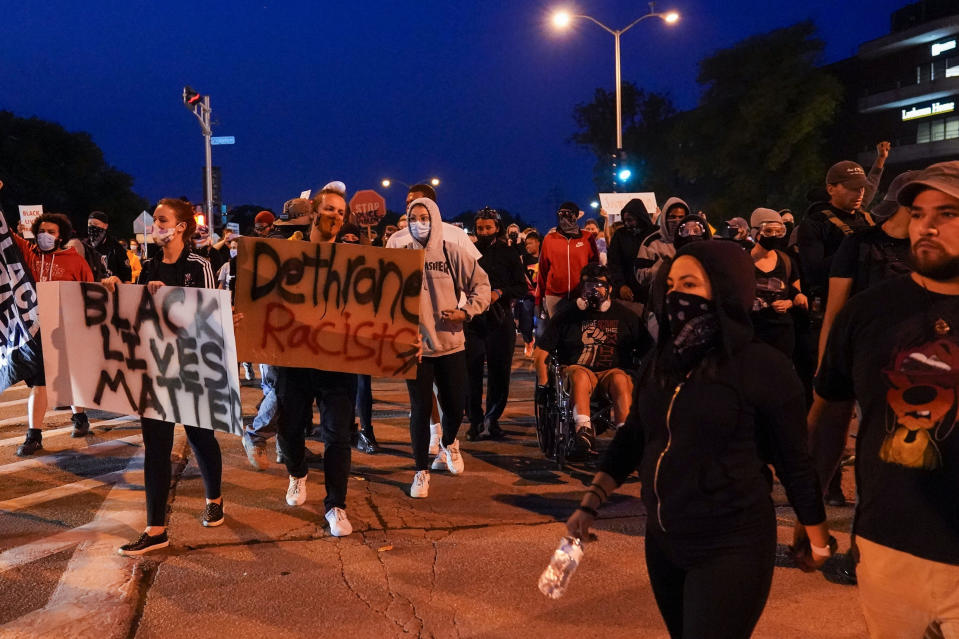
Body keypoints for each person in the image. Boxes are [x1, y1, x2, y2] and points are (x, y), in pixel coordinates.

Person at [567, 241, 833, 639]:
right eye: (671, 284)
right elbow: (634, 435)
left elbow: (795, 463)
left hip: (732, 546)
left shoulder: (763, 367)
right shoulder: (663, 360)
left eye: (690, 284)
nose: (675, 295)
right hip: (664, 543)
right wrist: (588, 505)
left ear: (725, 290)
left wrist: (818, 538)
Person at [809, 161, 959, 636]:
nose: (927, 226)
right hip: (885, 547)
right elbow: (829, 412)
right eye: (917, 212)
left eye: (949, 212)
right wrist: (809, 505)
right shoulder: (868, 313)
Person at [106, 198, 223, 555]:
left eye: (161, 220)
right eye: (155, 220)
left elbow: (207, 315)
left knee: (200, 437)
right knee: (156, 448)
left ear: (181, 227)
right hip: (156, 369)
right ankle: (156, 529)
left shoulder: (200, 265)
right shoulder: (147, 267)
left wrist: (171, 299)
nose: (155, 226)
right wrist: (114, 291)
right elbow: (137, 316)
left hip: (190, 368)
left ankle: (214, 498)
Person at [272, 185, 357, 536]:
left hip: (337, 362)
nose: (336, 216)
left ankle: (335, 505)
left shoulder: (355, 260)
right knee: (290, 428)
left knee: (337, 434)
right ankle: (297, 472)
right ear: (315, 212)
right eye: (330, 209)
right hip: (294, 357)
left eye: (341, 212)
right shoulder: (286, 252)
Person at [397, 197, 490, 499]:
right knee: (420, 410)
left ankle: (449, 443)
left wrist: (467, 311)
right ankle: (420, 471)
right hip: (416, 349)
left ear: (435, 218)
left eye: (425, 217)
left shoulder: (452, 252)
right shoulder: (399, 255)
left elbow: (482, 285)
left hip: (451, 345)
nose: (418, 223)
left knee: (454, 407)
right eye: (413, 217)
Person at [535, 263, 650, 458]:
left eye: (600, 285)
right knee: (579, 374)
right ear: (582, 288)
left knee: (620, 379)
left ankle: (625, 436)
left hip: (611, 373)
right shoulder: (567, 315)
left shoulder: (626, 316)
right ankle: (583, 430)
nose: (594, 290)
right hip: (576, 370)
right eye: (589, 285)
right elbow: (541, 352)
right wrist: (544, 385)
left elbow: (648, 350)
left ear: (610, 289)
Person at [12, 213, 95, 456]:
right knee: (40, 382)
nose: (45, 235)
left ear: (61, 237)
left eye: (51, 232)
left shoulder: (75, 261)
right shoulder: (29, 254)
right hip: (36, 332)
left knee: (69, 376)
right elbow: (6, 235)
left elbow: (89, 293)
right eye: (41, 230)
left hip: (67, 329)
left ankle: (79, 416)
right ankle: (34, 435)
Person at [818, 170, 918, 363]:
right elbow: (834, 316)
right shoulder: (860, 243)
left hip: (919, 361)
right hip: (869, 358)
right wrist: (823, 371)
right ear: (908, 205)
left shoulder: (929, 249)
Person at [465, 207, 527, 440]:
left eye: (488, 228)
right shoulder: (469, 252)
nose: (483, 232)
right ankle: (475, 420)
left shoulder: (508, 253)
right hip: (474, 319)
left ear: (497, 227)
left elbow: (522, 287)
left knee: (500, 372)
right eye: (480, 228)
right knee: (471, 371)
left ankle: (493, 418)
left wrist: (499, 292)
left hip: (500, 317)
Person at [749, 208, 806, 358]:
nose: (774, 236)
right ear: (756, 233)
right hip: (753, 331)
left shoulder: (787, 261)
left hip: (782, 332)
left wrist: (789, 303)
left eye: (778, 231)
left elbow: (796, 295)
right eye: (768, 231)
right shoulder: (742, 261)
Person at [536, 202, 599, 318]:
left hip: (581, 295)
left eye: (568, 214)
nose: (564, 218)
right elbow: (543, 270)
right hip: (554, 296)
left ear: (576, 216)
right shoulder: (549, 239)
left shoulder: (587, 237)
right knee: (557, 333)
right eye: (561, 214)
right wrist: (538, 299)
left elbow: (595, 267)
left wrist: (593, 291)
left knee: (578, 332)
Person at [635, 197, 689, 304]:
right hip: (661, 302)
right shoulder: (651, 243)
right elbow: (640, 276)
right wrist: (662, 267)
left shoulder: (693, 240)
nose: (677, 221)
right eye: (672, 217)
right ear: (665, 217)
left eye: (681, 217)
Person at [607, 199, 655, 315]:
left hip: (653, 292)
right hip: (629, 294)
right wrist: (620, 285)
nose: (627, 224)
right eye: (625, 220)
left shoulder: (655, 233)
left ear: (640, 217)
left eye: (630, 220)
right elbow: (614, 264)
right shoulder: (620, 235)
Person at [84, 211, 132, 282]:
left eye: (95, 224)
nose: (92, 227)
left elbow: (127, 277)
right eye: (89, 224)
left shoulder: (116, 247)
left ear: (105, 226)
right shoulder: (84, 246)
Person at [516, 231, 540, 358]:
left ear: (538, 242)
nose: (528, 246)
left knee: (542, 323)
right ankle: (528, 341)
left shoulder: (544, 257)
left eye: (530, 243)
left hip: (542, 296)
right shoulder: (523, 259)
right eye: (526, 244)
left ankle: (541, 347)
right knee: (525, 323)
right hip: (528, 295)